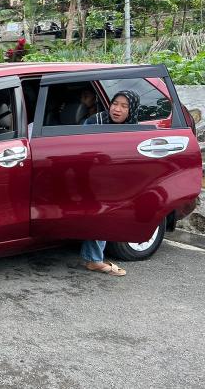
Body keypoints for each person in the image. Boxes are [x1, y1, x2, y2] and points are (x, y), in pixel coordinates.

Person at [79, 89, 140, 277]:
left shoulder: (134, 130)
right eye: (115, 104)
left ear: (132, 110)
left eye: (124, 106)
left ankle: (94, 258)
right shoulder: (95, 122)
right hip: (88, 174)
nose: (117, 109)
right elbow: (77, 147)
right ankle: (94, 260)